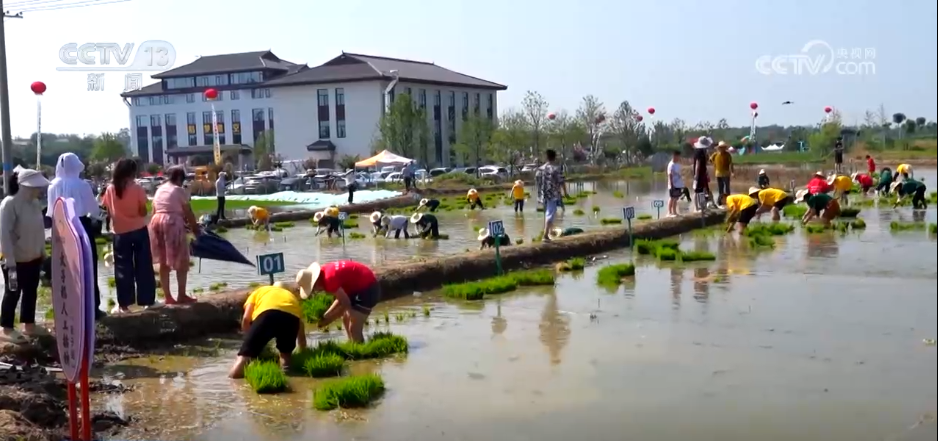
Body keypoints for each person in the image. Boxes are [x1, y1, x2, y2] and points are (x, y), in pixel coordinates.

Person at [46, 153, 105, 319]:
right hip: (81, 225)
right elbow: (93, 209)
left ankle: (69, 309)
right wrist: (100, 216)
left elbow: (50, 211)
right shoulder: (82, 185)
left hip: (60, 227)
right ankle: (92, 308)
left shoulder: (52, 186)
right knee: (88, 265)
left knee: (66, 268)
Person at [100, 158, 157, 313]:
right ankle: (147, 301)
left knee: (122, 268)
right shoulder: (136, 188)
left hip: (119, 232)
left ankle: (124, 305)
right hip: (138, 229)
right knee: (143, 265)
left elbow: (107, 209)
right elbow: (142, 211)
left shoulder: (110, 189)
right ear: (132, 172)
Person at [0, 169, 50, 343]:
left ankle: (28, 324)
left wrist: (42, 251)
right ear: (24, 186)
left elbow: (39, 230)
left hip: (33, 257)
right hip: (14, 260)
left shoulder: (35, 203)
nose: (39, 190)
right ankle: (6, 328)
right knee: (12, 291)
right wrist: (9, 259)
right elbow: (4, 234)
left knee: (31, 290)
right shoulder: (9, 204)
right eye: (36, 187)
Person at [228, 282, 306, 378]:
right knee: (285, 355)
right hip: (291, 318)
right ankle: (288, 377)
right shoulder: (291, 297)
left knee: (244, 357)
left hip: (267, 315)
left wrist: (248, 341)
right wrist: (303, 350)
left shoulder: (260, 291)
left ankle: (233, 381)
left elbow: (246, 319)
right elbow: (300, 327)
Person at [150, 167, 200, 305]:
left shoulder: (159, 190)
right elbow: (188, 211)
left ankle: (168, 297)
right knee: (182, 260)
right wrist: (195, 228)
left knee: (163, 260)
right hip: (172, 223)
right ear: (179, 178)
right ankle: (181, 295)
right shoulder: (178, 190)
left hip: (156, 222)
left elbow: (154, 210)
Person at [295, 260, 380, 343]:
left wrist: (329, 320)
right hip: (358, 286)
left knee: (354, 328)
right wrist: (326, 315)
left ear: (315, 282)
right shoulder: (325, 272)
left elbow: (346, 303)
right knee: (346, 319)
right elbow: (340, 299)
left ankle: (360, 349)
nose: (316, 291)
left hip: (368, 288)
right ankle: (352, 344)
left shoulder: (329, 280)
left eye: (313, 289)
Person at [539, 149, 569, 242]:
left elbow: (538, 181)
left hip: (543, 194)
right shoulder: (555, 169)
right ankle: (545, 235)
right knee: (550, 213)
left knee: (547, 213)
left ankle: (550, 232)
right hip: (552, 194)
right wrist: (565, 193)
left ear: (546, 157)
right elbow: (561, 181)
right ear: (554, 157)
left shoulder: (540, 169)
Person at [710, 141, 734, 206]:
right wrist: (714, 165)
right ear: (719, 148)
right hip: (718, 173)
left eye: (723, 147)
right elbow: (710, 160)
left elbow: (731, 163)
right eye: (720, 147)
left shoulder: (727, 154)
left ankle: (729, 200)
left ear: (725, 148)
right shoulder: (715, 154)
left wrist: (732, 172)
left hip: (726, 173)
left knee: (727, 188)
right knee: (720, 188)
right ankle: (720, 201)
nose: (722, 149)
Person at [692, 137, 713, 211]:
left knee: (702, 191)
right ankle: (696, 208)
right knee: (697, 191)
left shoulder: (702, 152)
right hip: (699, 174)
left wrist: (706, 173)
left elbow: (704, 165)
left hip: (702, 173)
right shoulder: (699, 152)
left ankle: (701, 206)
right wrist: (696, 176)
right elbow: (697, 165)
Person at [666, 150, 684, 217]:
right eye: (677, 156)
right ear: (674, 156)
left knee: (676, 198)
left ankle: (674, 212)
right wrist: (671, 184)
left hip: (678, 184)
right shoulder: (671, 165)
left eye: (679, 156)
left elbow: (679, 174)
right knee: (672, 198)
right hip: (673, 184)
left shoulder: (677, 164)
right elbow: (670, 175)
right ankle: (669, 212)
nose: (679, 158)